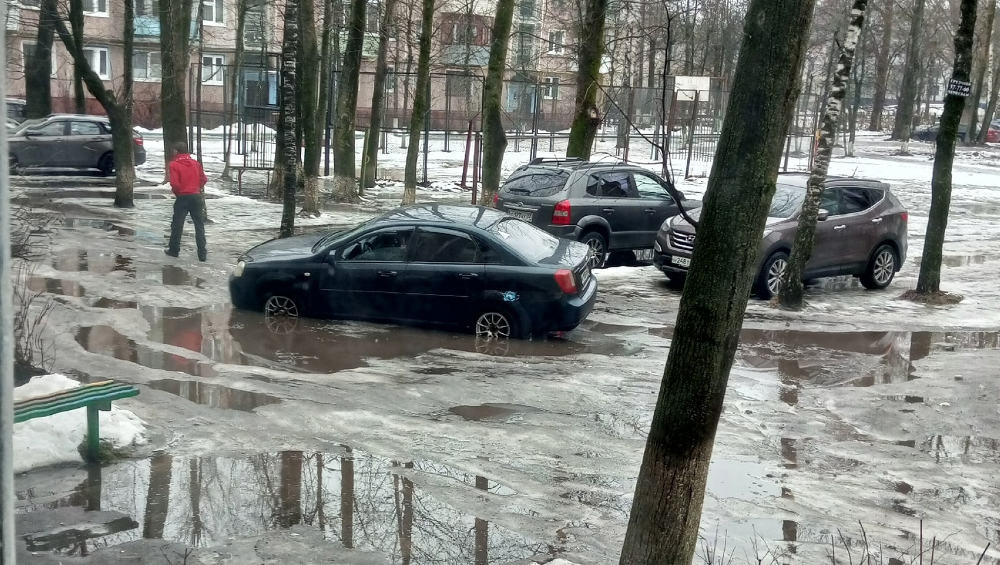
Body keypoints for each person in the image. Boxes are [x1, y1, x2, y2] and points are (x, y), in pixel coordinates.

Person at [165, 142, 208, 261]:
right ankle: (202, 254)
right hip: (196, 196)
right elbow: (204, 179)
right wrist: (196, 188)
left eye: (174, 150)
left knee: (177, 225)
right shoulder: (196, 164)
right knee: (199, 225)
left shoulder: (174, 164)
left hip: (183, 197)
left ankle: (174, 250)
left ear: (176, 151)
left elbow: (175, 183)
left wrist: (178, 193)